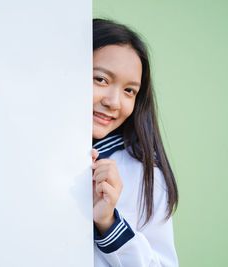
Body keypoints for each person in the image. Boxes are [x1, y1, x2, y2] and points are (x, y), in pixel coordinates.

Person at [91, 18, 179, 266]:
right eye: (101, 79)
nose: (114, 102)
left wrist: (109, 224)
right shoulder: (28, 151)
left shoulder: (146, 175)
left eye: (129, 90)